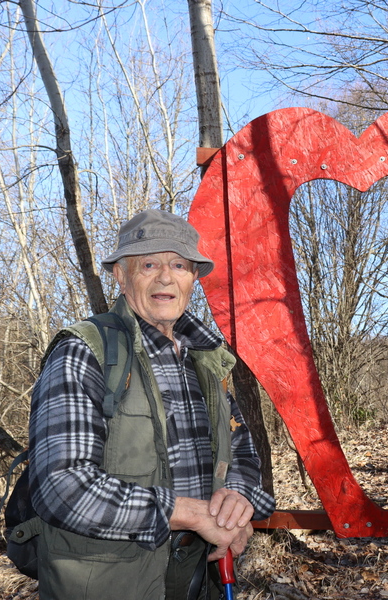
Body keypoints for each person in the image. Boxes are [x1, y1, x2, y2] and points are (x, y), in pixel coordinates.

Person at [28, 209, 275, 599]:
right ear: (121, 276)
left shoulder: (207, 360)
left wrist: (237, 504)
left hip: (198, 579)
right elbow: (62, 487)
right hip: (110, 584)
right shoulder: (84, 351)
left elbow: (243, 454)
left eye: (178, 264)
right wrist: (190, 514)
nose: (165, 276)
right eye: (148, 264)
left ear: (194, 278)